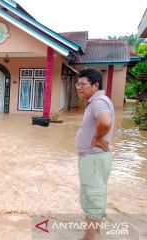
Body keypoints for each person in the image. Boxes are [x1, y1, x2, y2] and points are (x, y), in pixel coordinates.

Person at [75, 68, 114, 240]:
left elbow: (105, 121)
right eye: (77, 84)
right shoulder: (96, 101)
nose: (78, 87)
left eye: (82, 84)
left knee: (93, 198)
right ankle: (92, 235)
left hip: (94, 158)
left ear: (95, 85)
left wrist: (97, 138)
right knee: (93, 197)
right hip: (93, 158)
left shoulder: (98, 101)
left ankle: (89, 238)